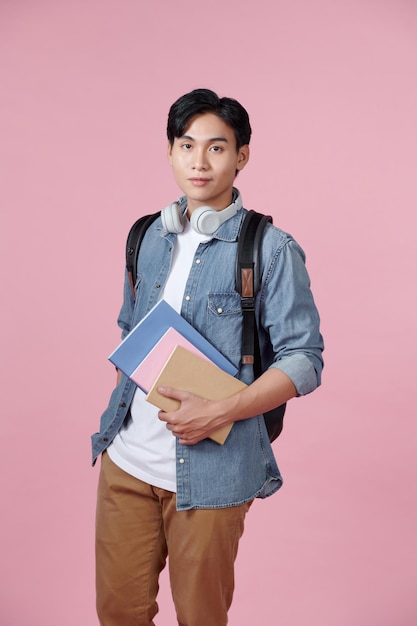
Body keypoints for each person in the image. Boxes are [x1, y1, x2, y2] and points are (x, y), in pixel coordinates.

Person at [92, 88, 324, 626]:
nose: (199, 161)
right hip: (126, 460)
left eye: (216, 148)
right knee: (117, 614)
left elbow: (304, 358)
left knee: (200, 617)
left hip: (212, 474)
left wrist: (220, 410)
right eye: (186, 145)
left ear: (241, 156)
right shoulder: (146, 235)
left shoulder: (271, 249)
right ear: (170, 151)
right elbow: (131, 328)